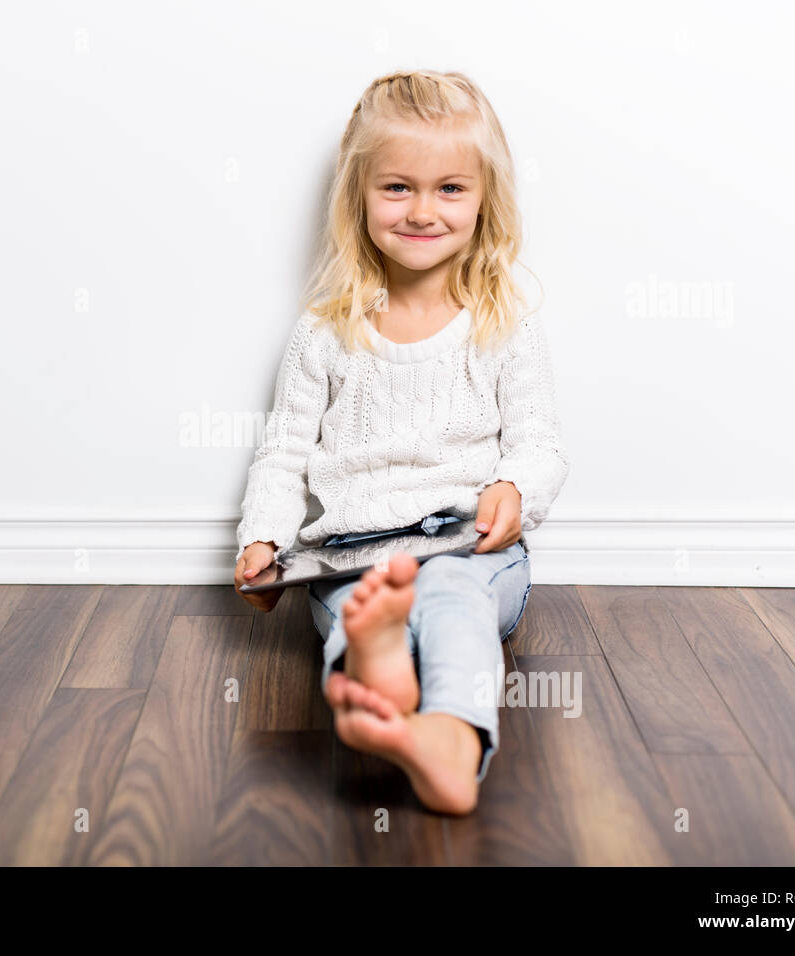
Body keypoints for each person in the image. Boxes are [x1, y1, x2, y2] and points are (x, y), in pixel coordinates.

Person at [232, 70, 569, 815]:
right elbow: (284, 451)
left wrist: (513, 489)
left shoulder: (502, 321)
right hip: (354, 552)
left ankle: (449, 738)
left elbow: (540, 442)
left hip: (466, 547)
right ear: (359, 195)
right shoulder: (325, 330)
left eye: (450, 188)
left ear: (486, 200)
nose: (422, 211)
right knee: (358, 606)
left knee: (451, 599)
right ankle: (378, 666)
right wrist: (263, 539)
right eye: (397, 188)